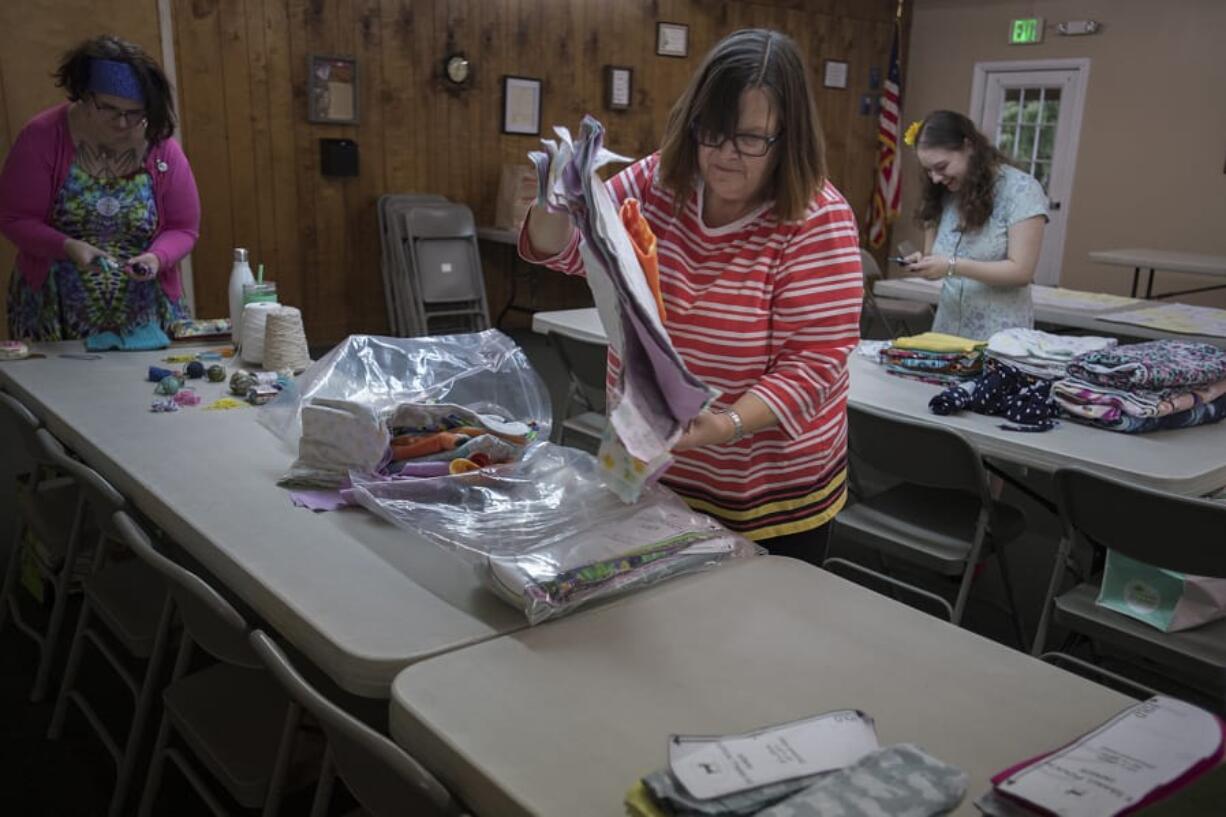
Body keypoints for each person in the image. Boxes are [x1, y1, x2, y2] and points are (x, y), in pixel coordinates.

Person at [520, 29, 862, 564]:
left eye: (751, 139)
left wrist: (723, 427)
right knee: (636, 623)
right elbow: (567, 251)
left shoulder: (818, 218)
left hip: (767, 492)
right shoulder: (659, 179)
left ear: (787, 137)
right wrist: (555, 199)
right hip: (651, 461)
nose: (726, 154)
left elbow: (815, 365)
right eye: (714, 132)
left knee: (753, 635)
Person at [0, 34, 200, 341]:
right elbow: (14, 218)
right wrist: (67, 247)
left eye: (135, 113)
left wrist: (156, 258)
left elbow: (184, 227)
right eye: (109, 109)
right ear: (84, 95)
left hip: (147, 312)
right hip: (55, 313)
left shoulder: (161, 146)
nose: (122, 123)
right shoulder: (41, 137)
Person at [902, 109, 1048, 340]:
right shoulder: (942, 194)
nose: (936, 178)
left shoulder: (1021, 190)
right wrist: (926, 264)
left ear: (969, 146)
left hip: (999, 337)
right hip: (947, 335)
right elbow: (937, 260)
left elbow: (1021, 271)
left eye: (941, 167)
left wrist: (952, 266)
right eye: (928, 170)